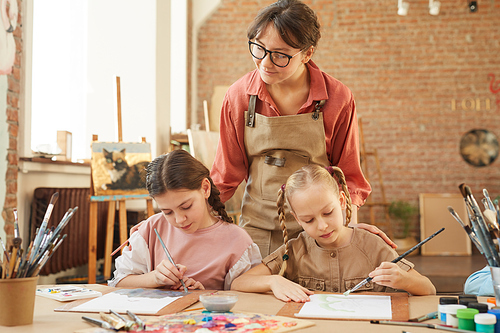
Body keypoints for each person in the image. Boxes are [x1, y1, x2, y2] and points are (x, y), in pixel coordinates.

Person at [210, 0, 388, 257]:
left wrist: (349, 232)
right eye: (258, 49)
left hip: (320, 232)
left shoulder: (337, 98)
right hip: (257, 229)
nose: (265, 63)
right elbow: (225, 177)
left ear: (307, 53)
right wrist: (181, 225)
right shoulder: (238, 96)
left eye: (280, 55)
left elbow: (348, 177)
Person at [231, 164, 436, 302]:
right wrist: (272, 280)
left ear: (341, 201)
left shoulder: (373, 246)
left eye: (328, 213)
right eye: (309, 220)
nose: (322, 226)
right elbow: (238, 283)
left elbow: (429, 289)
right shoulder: (294, 250)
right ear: (296, 218)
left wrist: (402, 279)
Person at [108, 149, 262, 290]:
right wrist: (154, 278)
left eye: (186, 206)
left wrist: (205, 295)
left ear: (205, 188)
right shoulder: (152, 229)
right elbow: (119, 282)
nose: (180, 220)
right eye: (167, 212)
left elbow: (245, 300)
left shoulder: (237, 241)